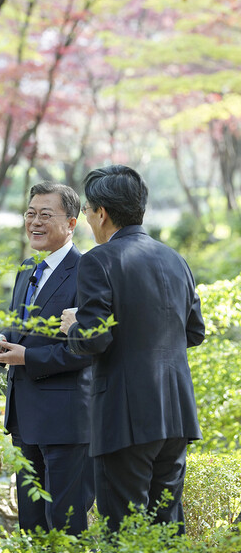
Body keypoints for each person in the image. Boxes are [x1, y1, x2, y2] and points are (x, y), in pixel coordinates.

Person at [60, 165, 205, 534]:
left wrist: (73, 327)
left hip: (123, 418)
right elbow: (195, 332)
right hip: (175, 415)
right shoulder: (176, 260)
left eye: (90, 212)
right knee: (167, 527)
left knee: (122, 532)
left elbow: (94, 338)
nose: (89, 222)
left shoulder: (99, 259)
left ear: (102, 213)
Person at [0, 182, 94, 535]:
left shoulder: (88, 270)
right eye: (30, 214)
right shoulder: (27, 268)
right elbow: (22, 329)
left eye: (46, 215)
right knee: (30, 525)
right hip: (23, 419)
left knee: (64, 523)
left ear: (72, 223)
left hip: (66, 421)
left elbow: (88, 347)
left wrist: (28, 357)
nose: (35, 222)